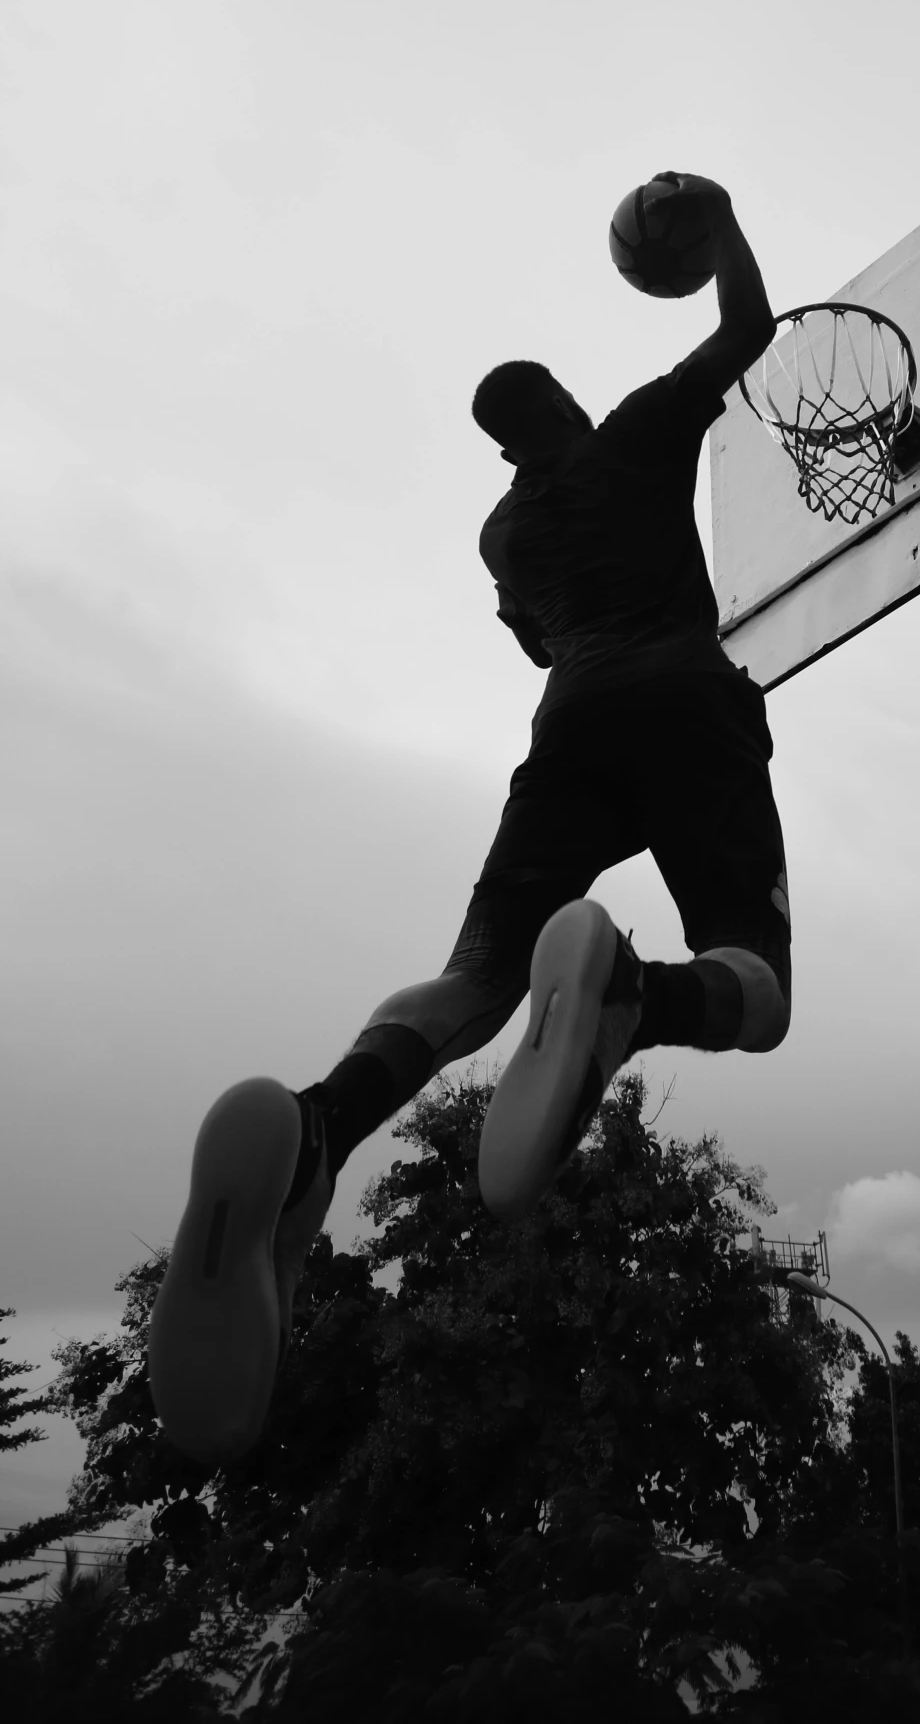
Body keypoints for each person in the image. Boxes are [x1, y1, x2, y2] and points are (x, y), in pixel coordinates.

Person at [149, 180, 790, 1464]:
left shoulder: (503, 535)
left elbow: (535, 643)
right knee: (758, 992)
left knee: (478, 979)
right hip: (683, 699)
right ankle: (630, 998)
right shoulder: (640, 431)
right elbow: (751, 328)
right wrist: (718, 230)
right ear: (556, 408)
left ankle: (322, 1120)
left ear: (500, 448)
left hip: (568, 728)